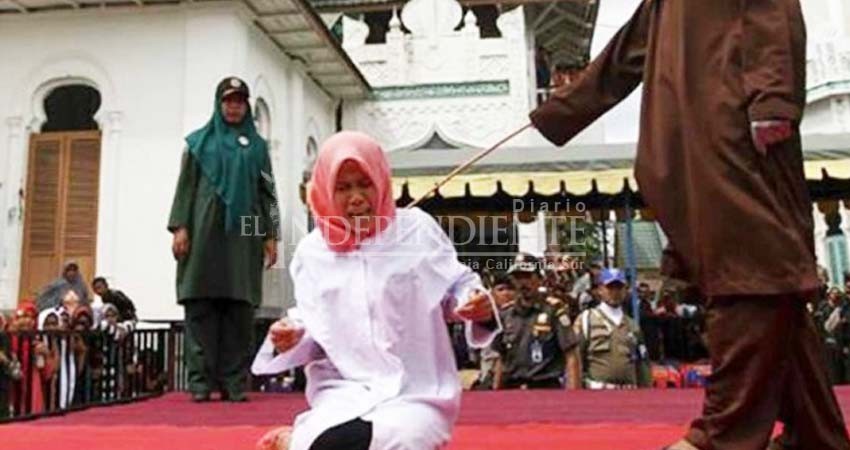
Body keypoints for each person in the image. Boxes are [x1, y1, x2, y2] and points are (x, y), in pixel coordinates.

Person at [529, 0, 850, 448]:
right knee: (768, 288)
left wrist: (773, 96)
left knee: (752, 275)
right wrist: (558, 110)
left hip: (735, 130)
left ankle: (723, 436)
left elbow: (773, 9)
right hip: (687, 139)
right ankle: (818, 436)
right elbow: (627, 51)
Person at [251, 131, 500, 450]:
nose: (356, 198)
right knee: (324, 443)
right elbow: (314, 326)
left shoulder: (417, 231)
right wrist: (291, 335)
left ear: (381, 181)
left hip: (415, 393)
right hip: (345, 391)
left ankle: (294, 442)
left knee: (401, 441)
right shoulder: (312, 253)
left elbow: (459, 287)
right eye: (343, 188)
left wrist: (477, 305)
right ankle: (299, 440)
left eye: (364, 184)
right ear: (325, 191)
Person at [168, 76, 279, 403]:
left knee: (239, 306)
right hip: (204, 227)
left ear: (246, 106)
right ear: (219, 104)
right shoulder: (199, 142)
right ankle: (200, 382)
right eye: (228, 100)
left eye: (240, 101)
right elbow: (185, 187)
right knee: (201, 303)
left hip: (246, 225)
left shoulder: (257, 147)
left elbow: (268, 193)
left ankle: (233, 381)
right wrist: (180, 227)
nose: (234, 106)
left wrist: (270, 234)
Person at [492, 253, 580, 390]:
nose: (522, 283)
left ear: (540, 279)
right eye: (517, 277)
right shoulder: (506, 314)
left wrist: (574, 396)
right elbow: (501, 359)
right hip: (512, 389)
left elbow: (571, 355)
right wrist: (495, 393)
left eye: (527, 276)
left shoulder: (554, 311)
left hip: (545, 388)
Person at [574, 268, 651, 389]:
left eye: (619, 287)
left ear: (626, 290)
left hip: (629, 393)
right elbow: (575, 360)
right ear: (600, 290)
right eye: (610, 287)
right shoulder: (586, 320)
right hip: (597, 393)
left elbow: (642, 363)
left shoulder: (632, 325)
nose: (615, 292)